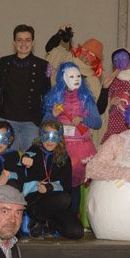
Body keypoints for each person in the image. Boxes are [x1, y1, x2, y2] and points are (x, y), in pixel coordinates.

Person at [43, 63, 102, 217]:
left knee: (75, 185)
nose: (76, 79)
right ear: (62, 78)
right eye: (71, 76)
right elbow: (44, 125)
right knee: (59, 184)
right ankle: (57, 218)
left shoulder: (86, 98)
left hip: (81, 148)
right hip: (60, 147)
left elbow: (97, 123)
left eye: (78, 76)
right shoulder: (54, 98)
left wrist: (83, 119)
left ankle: (73, 217)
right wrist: (52, 115)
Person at [0, 24, 50, 153]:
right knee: (6, 158)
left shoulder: (44, 65)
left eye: (27, 40)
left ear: (33, 42)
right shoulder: (4, 62)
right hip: (6, 120)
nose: (23, 44)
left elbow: (47, 95)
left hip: (31, 122)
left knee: (32, 158)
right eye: (19, 40)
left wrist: (45, 121)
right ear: (14, 42)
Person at [21, 120, 83, 239]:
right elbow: (27, 155)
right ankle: (38, 220)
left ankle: (48, 224)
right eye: (46, 135)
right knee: (64, 198)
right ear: (41, 136)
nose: (49, 141)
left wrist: (49, 187)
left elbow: (67, 187)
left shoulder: (65, 158)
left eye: (54, 137)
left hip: (57, 202)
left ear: (60, 138)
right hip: (36, 201)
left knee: (76, 232)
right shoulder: (35, 150)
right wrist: (25, 158)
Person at [44, 25, 105, 100]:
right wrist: (60, 34)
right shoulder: (67, 58)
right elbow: (50, 49)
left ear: (96, 62)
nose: (86, 57)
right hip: (54, 104)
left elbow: (93, 104)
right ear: (80, 50)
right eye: (85, 51)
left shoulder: (93, 81)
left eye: (92, 56)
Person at [101, 48, 130, 143]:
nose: (120, 61)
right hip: (114, 129)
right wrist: (110, 102)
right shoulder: (111, 82)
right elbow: (101, 107)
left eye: (123, 57)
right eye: (115, 60)